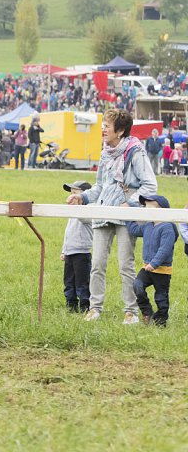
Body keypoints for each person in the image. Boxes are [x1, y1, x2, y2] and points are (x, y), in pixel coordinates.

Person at [67, 108, 157, 324]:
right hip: (102, 212)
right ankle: (95, 308)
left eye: (107, 125)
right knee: (97, 263)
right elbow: (100, 185)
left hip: (124, 215)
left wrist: (131, 202)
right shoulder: (105, 151)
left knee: (125, 264)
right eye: (103, 125)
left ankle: (131, 312)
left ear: (121, 129)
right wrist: (83, 197)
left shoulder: (135, 151)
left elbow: (150, 184)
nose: (103, 129)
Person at [128, 194, 177, 326]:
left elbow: (164, 249)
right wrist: (127, 216)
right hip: (147, 267)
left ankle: (160, 321)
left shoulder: (167, 227)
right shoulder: (148, 225)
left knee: (161, 297)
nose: (145, 206)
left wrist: (154, 263)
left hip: (162, 270)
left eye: (149, 203)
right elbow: (134, 230)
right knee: (137, 285)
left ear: (160, 207)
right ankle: (147, 312)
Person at [61, 180, 93, 313]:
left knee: (82, 282)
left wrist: (78, 206)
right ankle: (71, 304)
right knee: (69, 281)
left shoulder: (89, 210)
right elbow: (68, 232)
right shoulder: (73, 213)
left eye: (76, 193)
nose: (72, 196)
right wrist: (64, 250)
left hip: (82, 252)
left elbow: (85, 219)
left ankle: (85, 305)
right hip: (70, 251)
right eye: (71, 193)